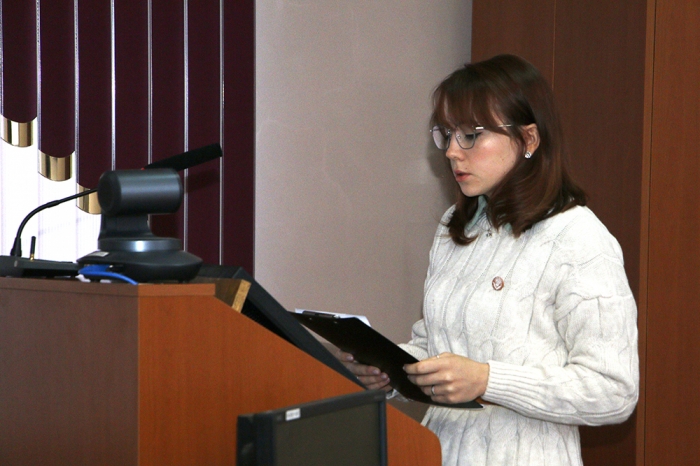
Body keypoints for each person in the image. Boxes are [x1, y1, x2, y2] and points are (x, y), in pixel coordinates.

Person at [337, 54, 639, 466]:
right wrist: (389, 368)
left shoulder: (578, 238)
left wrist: (487, 381)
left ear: (529, 140)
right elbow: (436, 346)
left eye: (470, 136)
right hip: (441, 451)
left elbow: (614, 392)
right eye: (447, 134)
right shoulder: (456, 226)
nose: (451, 152)